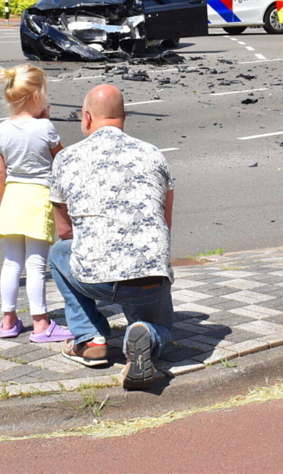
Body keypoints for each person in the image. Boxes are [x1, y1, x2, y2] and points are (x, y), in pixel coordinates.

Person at [48, 85, 174, 391]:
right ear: (124, 117)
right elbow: (164, 224)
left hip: (95, 275)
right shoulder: (153, 154)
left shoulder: (66, 159)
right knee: (163, 327)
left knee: (58, 252)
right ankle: (146, 332)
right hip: (149, 277)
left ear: (86, 118)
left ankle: (90, 340)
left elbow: (65, 231)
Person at [0, 64, 73, 343]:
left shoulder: (0, 130)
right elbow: (62, 160)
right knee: (36, 265)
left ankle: (8, 321)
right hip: (39, 197)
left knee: (11, 263)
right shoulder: (45, 128)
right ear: (37, 95)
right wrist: (46, 120)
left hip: (12, 198)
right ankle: (40, 324)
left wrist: (3, 203)